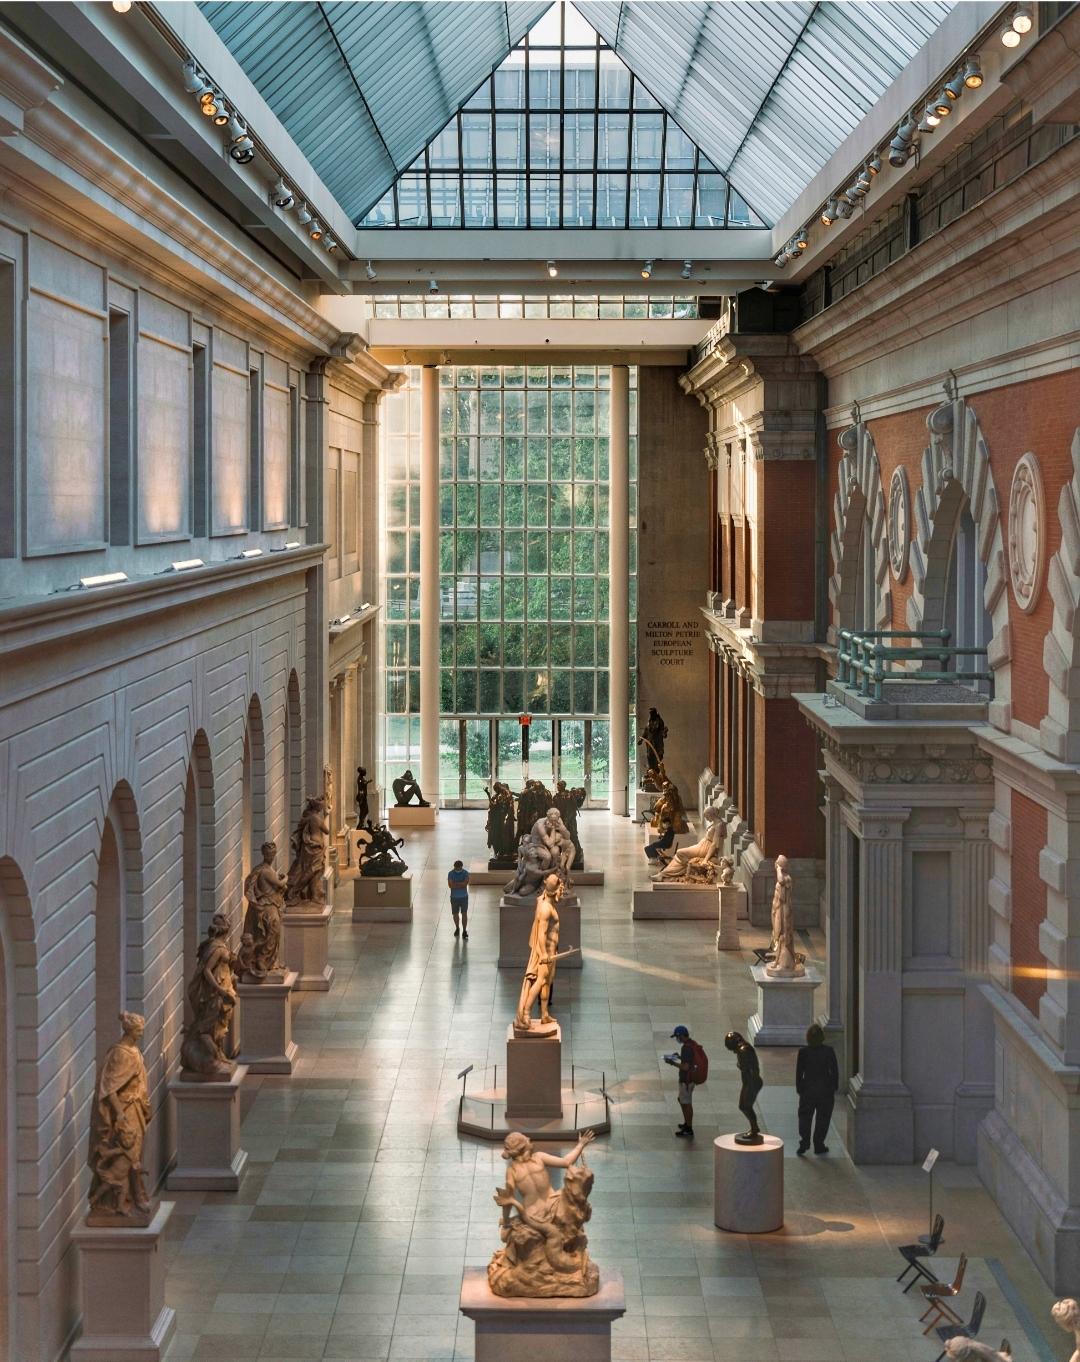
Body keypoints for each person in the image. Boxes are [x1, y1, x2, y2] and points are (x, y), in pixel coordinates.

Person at [795, 1022, 839, 1155]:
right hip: (825, 1090)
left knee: (805, 1117)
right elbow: (834, 1071)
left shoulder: (803, 1052)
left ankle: (804, 1142)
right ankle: (818, 1144)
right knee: (823, 1118)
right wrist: (834, 1086)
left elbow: (799, 1072)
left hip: (808, 1089)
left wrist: (799, 1087)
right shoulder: (829, 1051)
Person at [664, 1024, 696, 1139]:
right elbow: (689, 1061)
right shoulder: (691, 1044)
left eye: (677, 1037)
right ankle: (687, 1124)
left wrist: (672, 1063)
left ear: (682, 1036)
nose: (677, 1039)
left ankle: (689, 1128)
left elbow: (686, 1067)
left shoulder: (686, 1048)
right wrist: (680, 1057)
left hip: (686, 1081)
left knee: (686, 1103)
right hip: (689, 1080)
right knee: (683, 1101)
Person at [447, 859, 470, 938]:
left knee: (464, 913)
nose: (457, 870)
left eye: (458, 868)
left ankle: (464, 930)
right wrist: (461, 883)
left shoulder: (465, 873)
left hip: (463, 897)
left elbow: (465, 884)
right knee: (455, 914)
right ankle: (457, 927)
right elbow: (450, 885)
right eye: (456, 868)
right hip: (454, 897)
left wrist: (455, 884)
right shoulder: (450, 873)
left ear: (461, 867)